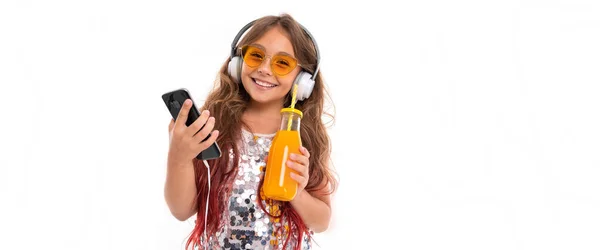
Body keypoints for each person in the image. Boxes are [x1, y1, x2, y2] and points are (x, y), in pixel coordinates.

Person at [164, 13, 337, 250]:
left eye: (282, 63)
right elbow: (182, 210)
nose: (265, 69)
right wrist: (178, 157)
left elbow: (321, 222)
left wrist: (296, 192)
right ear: (238, 63)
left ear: (303, 80)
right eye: (256, 56)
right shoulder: (214, 123)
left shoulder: (303, 136)